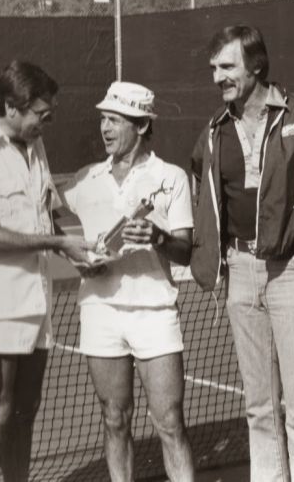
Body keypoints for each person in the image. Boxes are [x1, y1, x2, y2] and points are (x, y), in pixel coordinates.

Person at [191, 25, 294, 481]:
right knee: (258, 407)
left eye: (227, 66)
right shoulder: (215, 130)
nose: (218, 77)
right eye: (213, 68)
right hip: (240, 271)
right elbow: (199, 181)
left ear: (256, 65)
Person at [0, 60, 92, 482]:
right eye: (41, 114)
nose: (47, 122)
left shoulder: (33, 144)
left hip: (38, 304)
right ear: (11, 107)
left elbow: (45, 213)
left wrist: (79, 254)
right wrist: (56, 244)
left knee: (27, 409)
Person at [60, 81, 195, 481]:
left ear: (141, 125)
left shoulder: (171, 178)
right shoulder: (84, 179)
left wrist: (157, 237)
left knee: (169, 421)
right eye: (103, 119)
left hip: (155, 313)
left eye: (115, 120)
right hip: (100, 312)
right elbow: (44, 216)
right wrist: (75, 256)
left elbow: (184, 251)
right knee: (114, 418)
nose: (105, 128)